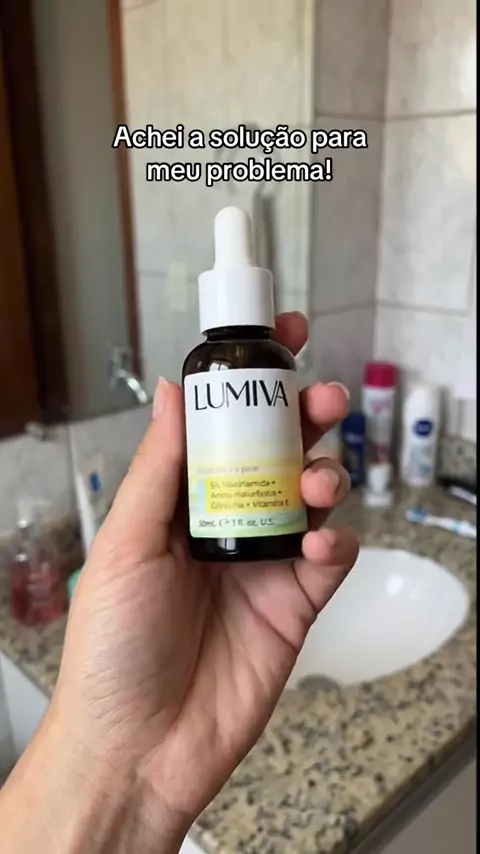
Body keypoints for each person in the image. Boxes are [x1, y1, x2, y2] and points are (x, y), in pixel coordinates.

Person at [0, 313, 359, 853]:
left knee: (316, 486)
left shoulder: (270, 366)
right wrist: (112, 764)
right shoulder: (206, 367)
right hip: (210, 544)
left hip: (253, 552)